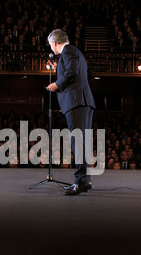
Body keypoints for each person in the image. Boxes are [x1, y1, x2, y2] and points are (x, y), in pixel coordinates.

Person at [46, 29, 96, 196]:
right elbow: (73, 72)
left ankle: (81, 181)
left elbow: (72, 73)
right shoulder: (74, 52)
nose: (51, 48)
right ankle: (84, 180)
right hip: (82, 102)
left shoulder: (68, 51)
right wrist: (58, 68)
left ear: (54, 43)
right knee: (82, 142)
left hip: (76, 102)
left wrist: (57, 84)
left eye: (50, 44)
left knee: (78, 142)